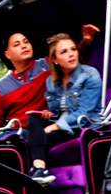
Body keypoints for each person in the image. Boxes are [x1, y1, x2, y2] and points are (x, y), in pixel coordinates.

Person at [0, 25, 100, 140]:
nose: (24, 46)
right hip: (14, 133)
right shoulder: (1, 86)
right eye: (17, 44)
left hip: (43, 126)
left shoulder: (48, 66)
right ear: (7, 54)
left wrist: (86, 41)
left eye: (26, 42)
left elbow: (71, 60)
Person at [26, 33, 103, 184]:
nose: (71, 54)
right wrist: (49, 114)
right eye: (64, 52)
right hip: (62, 125)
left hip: (83, 125)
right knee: (33, 119)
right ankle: (39, 169)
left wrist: (54, 126)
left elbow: (84, 113)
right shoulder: (51, 81)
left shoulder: (90, 75)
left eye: (73, 49)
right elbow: (56, 111)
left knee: (40, 136)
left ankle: (38, 171)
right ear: (55, 60)